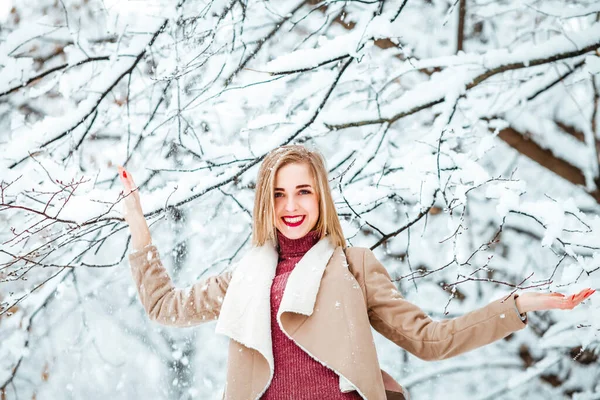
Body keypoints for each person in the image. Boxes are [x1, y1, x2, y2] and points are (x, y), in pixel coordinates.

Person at [118, 144, 594, 400]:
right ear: (267, 202)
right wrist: (139, 227)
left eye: (303, 191)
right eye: (279, 194)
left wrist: (519, 305)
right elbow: (166, 308)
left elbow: (430, 340)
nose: (291, 205)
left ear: (321, 195)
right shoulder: (245, 276)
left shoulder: (354, 266)